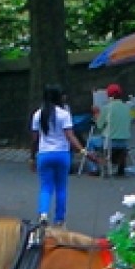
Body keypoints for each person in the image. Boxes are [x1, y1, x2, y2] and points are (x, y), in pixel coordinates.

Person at [29, 87, 82, 223]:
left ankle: (43, 214)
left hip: (44, 154)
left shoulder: (38, 114)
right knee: (61, 188)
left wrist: (32, 157)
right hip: (62, 154)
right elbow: (70, 136)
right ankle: (59, 219)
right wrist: (82, 150)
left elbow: (34, 139)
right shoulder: (64, 114)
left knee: (45, 187)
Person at [98, 84, 134, 178]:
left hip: (110, 142)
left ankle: (94, 168)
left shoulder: (107, 108)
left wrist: (96, 114)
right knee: (119, 146)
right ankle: (120, 168)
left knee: (91, 143)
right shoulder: (127, 107)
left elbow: (99, 125)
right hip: (124, 142)